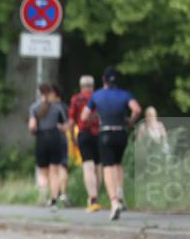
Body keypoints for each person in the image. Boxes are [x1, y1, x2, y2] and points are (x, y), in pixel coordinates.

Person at [81, 66, 141, 221]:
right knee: (118, 164)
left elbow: (84, 116)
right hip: (121, 133)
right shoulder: (124, 94)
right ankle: (120, 194)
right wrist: (130, 121)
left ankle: (114, 201)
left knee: (107, 167)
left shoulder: (97, 95)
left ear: (103, 80)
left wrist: (95, 117)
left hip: (105, 132)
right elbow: (137, 109)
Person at [28, 83, 69, 210]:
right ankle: (54, 199)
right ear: (51, 93)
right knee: (54, 171)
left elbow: (32, 126)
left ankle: (42, 196)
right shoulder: (57, 108)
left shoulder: (34, 108)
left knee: (42, 171)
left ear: (39, 93)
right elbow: (66, 126)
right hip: (55, 138)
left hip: (42, 138)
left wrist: (35, 131)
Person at [68, 74, 102, 212]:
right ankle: (96, 196)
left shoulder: (76, 99)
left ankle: (92, 198)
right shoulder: (99, 98)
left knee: (88, 166)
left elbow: (71, 121)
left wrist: (72, 137)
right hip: (99, 134)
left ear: (81, 87)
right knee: (98, 167)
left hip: (84, 134)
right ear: (93, 87)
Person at [51, 83, 70, 207]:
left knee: (54, 168)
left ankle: (54, 196)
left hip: (53, 139)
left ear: (54, 94)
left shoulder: (51, 108)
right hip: (63, 139)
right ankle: (62, 194)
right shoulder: (66, 107)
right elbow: (69, 124)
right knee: (63, 166)